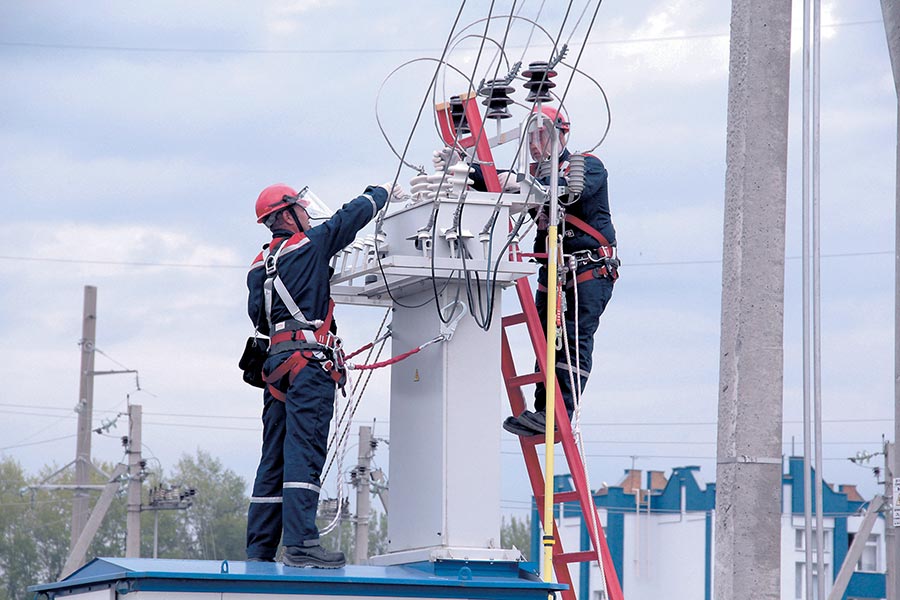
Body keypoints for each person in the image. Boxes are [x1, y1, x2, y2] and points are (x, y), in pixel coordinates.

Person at [245, 181, 397, 567]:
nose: (307, 214)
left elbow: (259, 318)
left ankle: (259, 549)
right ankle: (300, 543)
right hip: (309, 366)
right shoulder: (308, 246)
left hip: (276, 365)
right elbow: (349, 219)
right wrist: (378, 194)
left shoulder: (259, 265)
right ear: (286, 213)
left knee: (273, 458)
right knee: (304, 450)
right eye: (300, 208)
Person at [498, 106, 619, 436]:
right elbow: (508, 183)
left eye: (543, 135)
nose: (536, 145)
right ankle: (542, 411)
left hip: (586, 270)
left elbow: (564, 189)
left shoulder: (587, 166)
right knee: (545, 342)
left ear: (561, 135)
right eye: (532, 138)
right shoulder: (534, 177)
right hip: (554, 274)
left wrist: (518, 182)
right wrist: (469, 172)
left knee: (573, 339)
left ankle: (559, 413)